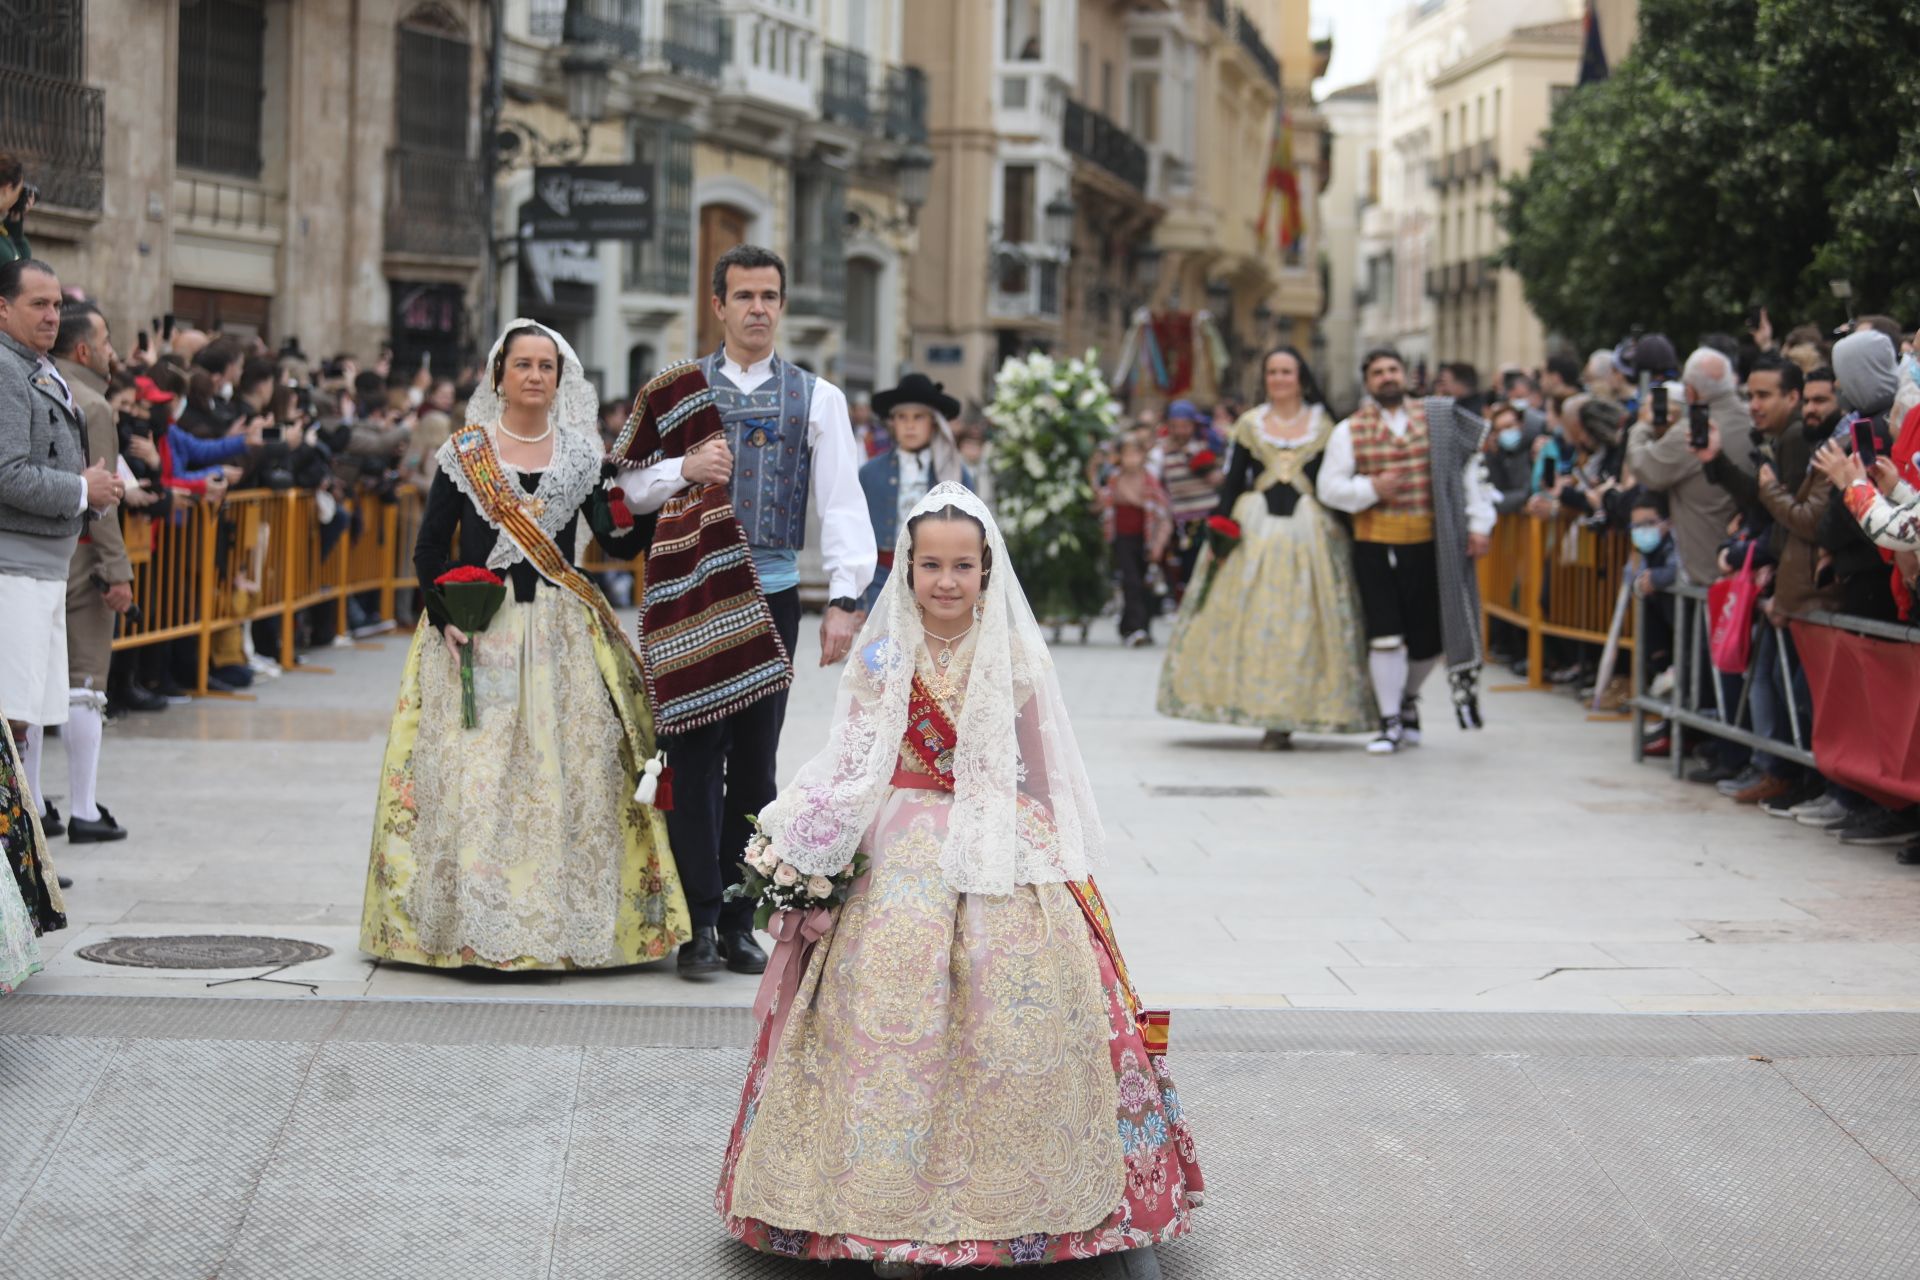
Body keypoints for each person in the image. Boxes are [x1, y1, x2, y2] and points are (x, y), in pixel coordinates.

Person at [718, 483, 1203, 1272]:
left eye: (963, 567)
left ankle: (1054, 1195)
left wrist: (1053, 852)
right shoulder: (881, 651)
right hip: (897, 839)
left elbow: (1043, 772)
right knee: (878, 1000)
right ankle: (866, 1197)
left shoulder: (1012, 652)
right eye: (930, 565)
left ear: (987, 571)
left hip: (997, 841)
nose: (946, 582)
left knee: (1023, 1000)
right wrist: (807, 836)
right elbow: (852, 753)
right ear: (907, 568)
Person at [359, 320, 691, 970]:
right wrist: (444, 615)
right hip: (481, 633)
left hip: (563, 637)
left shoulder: (580, 457)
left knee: (565, 780)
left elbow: (617, 542)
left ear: (560, 379)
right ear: (499, 375)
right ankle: (476, 929)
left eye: (546, 365)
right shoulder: (466, 453)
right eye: (523, 365)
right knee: (477, 782)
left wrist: (667, 490)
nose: (535, 375)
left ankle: (557, 931)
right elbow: (429, 548)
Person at [615, 244, 876, 979]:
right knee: (692, 755)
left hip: (771, 592)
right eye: (745, 296)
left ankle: (737, 917)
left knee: (757, 763)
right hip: (692, 591)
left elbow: (843, 503)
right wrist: (682, 470)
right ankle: (694, 922)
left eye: (770, 296)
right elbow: (625, 485)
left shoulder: (814, 396)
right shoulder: (676, 391)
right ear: (718, 305)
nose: (759, 308)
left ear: (781, 307)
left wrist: (848, 599)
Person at [1159, 346, 1374, 748]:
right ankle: (1253, 706)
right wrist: (1220, 531)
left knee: (1303, 622)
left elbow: (1333, 483)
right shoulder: (1250, 424)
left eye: (1286, 371)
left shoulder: (1325, 425)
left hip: (1310, 531)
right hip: (1254, 529)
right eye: (1272, 372)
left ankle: (1294, 712)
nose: (1278, 379)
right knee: (1253, 620)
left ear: (1301, 377)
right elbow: (1234, 479)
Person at [1318, 347, 1497, 754]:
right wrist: (1371, 489)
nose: (1387, 377)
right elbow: (1329, 487)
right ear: (1368, 382)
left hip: (1428, 541)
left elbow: (1470, 474)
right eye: (1378, 372)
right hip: (1374, 542)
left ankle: (1407, 698)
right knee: (1384, 634)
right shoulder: (1350, 429)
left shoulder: (1437, 419)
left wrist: (1479, 524)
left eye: (1392, 369)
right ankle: (1389, 720)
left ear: (1405, 375)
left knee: (1428, 638)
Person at [1, 260, 123, 853]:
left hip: (43, 569)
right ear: (2, 308)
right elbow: (7, 474)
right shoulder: (4, 368)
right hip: (14, 570)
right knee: (10, 720)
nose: (51, 315)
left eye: (55, 304)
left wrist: (91, 494)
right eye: (37, 304)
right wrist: (82, 490)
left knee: (24, 720)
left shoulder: (39, 367)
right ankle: (13, 864)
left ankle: (20, 861)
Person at [51, 300, 136, 842]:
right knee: (85, 681)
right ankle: (82, 806)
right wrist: (117, 568)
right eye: (106, 342)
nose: (113, 353)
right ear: (84, 348)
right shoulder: (93, 404)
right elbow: (101, 499)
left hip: (39, 553)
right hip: (82, 556)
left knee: (34, 687)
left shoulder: (41, 384)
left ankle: (37, 805)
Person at [857, 373, 971, 615]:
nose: (909, 425)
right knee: (884, 649)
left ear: (933, 423)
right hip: (882, 578)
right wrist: (856, 598)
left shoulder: (954, 473)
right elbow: (855, 537)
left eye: (918, 417)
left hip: (939, 582)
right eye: (901, 417)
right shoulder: (870, 473)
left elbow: (973, 533)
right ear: (892, 423)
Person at [1098, 436, 1171, 648]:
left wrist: (1158, 544)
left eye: (1135, 454)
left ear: (1142, 456)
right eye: (1126, 454)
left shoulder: (1150, 481)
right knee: (1131, 581)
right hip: (1122, 537)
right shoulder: (1114, 479)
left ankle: (1137, 626)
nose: (1131, 459)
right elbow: (1103, 503)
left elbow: (1162, 514)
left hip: (1145, 537)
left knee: (1144, 583)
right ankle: (1136, 627)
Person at [1147, 399, 1218, 590]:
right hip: (1182, 522)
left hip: (1211, 516)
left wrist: (1201, 464)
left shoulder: (1207, 444)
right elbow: (1152, 481)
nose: (1180, 431)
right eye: (1175, 426)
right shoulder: (1160, 452)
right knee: (1188, 568)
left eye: (1185, 426)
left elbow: (1221, 478)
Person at [0, 155, 33, 267]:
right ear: (8, 189)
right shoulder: (3, 251)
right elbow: (21, 270)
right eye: (18, 192)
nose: (17, 198)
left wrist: (15, 217)